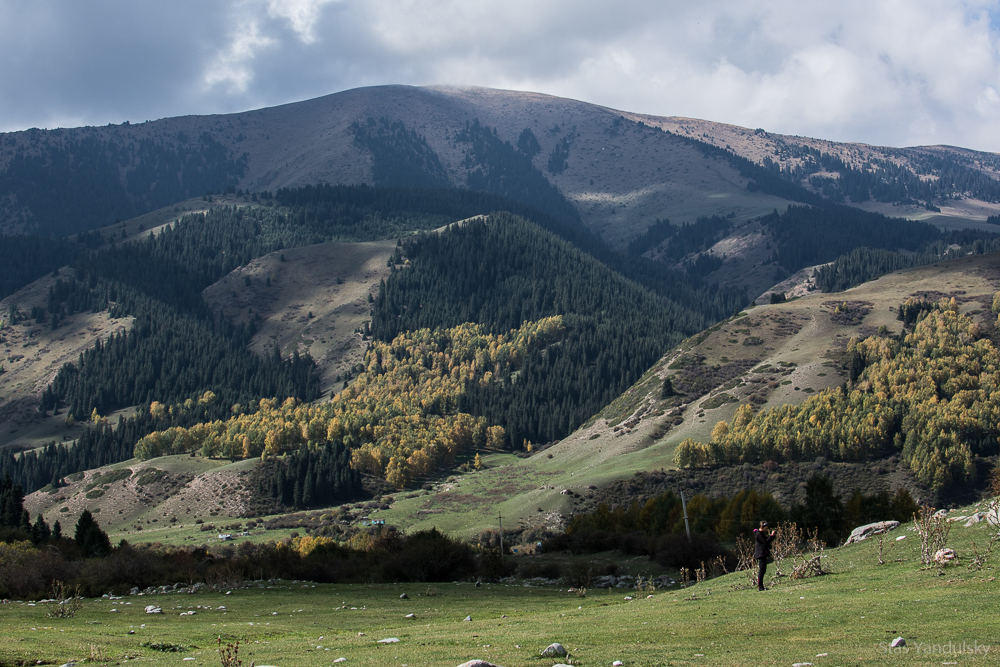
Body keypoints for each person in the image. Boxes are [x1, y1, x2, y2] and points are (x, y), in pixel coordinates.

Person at [753, 520, 776, 591]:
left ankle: (761, 586)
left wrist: (772, 536)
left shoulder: (761, 534)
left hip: (763, 554)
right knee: (762, 570)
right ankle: (760, 587)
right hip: (760, 554)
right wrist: (772, 536)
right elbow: (765, 542)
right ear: (761, 527)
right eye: (765, 528)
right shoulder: (758, 534)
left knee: (763, 570)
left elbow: (767, 540)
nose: (766, 529)